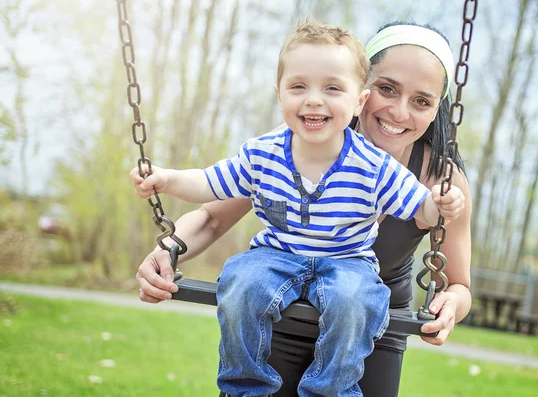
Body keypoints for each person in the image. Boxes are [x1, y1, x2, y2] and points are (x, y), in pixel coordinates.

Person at [135, 20, 472, 397]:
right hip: (278, 314)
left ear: (435, 110)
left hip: (367, 329)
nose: (398, 111)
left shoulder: (442, 181)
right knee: (245, 284)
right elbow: (212, 215)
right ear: (362, 89)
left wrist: (450, 305)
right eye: (387, 89)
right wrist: (167, 250)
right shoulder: (297, 141)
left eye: (421, 101)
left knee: (353, 301)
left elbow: (459, 284)